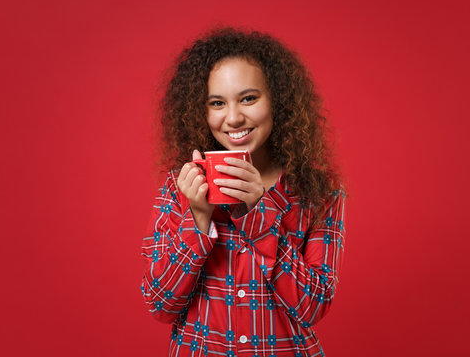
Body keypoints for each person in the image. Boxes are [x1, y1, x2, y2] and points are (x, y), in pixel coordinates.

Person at [140, 27, 347, 357]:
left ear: (277, 101)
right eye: (217, 103)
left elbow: (312, 307)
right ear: (201, 110)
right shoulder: (181, 186)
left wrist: (258, 215)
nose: (234, 118)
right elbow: (160, 305)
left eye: (249, 98)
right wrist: (198, 218)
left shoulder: (319, 192)